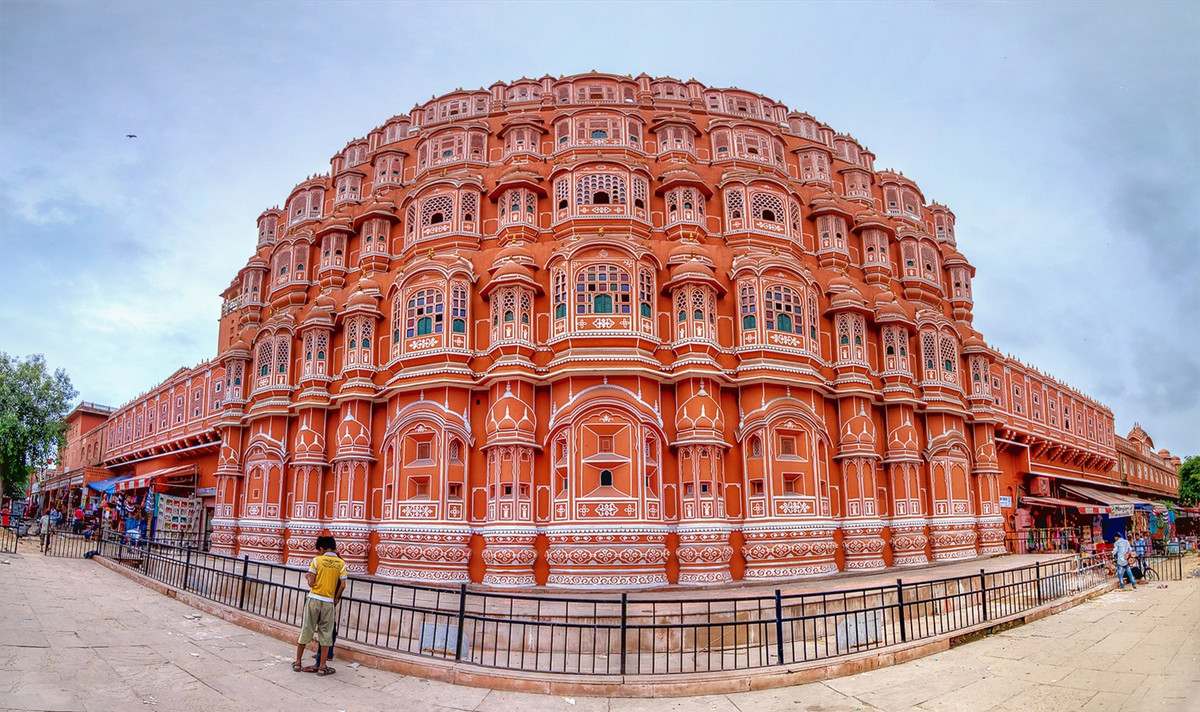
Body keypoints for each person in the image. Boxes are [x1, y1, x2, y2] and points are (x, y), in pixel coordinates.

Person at [292, 535, 347, 676]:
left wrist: (307, 577)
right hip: (328, 602)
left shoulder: (317, 560)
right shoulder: (341, 563)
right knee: (326, 634)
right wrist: (336, 598)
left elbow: (311, 583)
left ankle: (297, 662)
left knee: (306, 629)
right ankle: (322, 666)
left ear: (321, 548)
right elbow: (343, 585)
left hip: (314, 599)